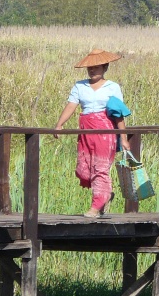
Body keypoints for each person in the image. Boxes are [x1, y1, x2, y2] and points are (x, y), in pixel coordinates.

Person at [54, 49, 131, 218]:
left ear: (105, 67)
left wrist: (123, 138)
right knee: (84, 169)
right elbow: (71, 106)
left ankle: (96, 205)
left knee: (100, 168)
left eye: (96, 67)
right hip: (85, 129)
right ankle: (106, 195)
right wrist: (59, 124)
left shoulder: (113, 87)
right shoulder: (80, 86)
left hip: (105, 131)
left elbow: (118, 113)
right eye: (90, 67)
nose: (92, 70)